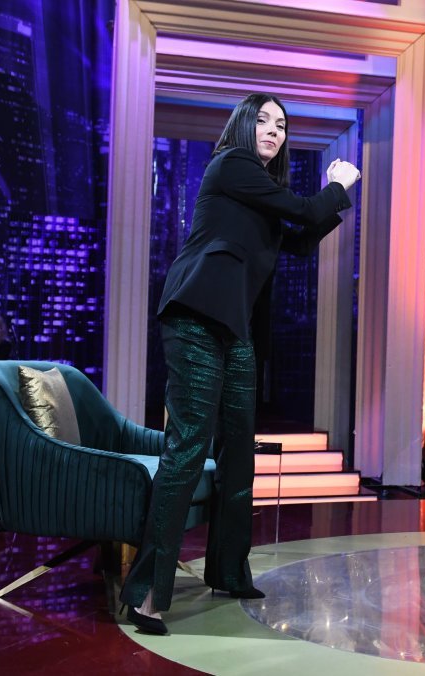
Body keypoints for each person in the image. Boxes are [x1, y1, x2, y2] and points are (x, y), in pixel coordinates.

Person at [120, 93, 361, 634]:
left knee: (238, 453)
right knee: (188, 448)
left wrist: (332, 201)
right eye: (263, 120)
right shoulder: (231, 164)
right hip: (196, 319)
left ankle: (228, 571)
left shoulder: (262, 193)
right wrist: (338, 186)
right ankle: (146, 593)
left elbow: (299, 241)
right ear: (242, 126)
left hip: (236, 330)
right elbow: (305, 211)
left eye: (282, 125)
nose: (274, 130)